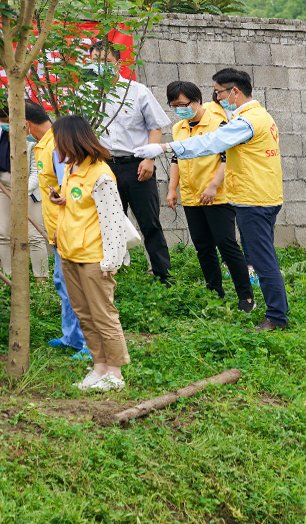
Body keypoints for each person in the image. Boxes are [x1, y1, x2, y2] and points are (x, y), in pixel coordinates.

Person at [132, 67, 290, 332]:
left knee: (262, 261)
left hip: (255, 200)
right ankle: (274, 312)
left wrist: (164, 147)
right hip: (261, 196)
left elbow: (213, 143)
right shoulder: (259, 115)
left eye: (218, 93)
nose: (216, 99)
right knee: (260, 257)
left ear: (234, 92)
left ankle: (276, 317)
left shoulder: (248, 121)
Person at [45, 114, 136, 392]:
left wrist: (111, 260)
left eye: (59, 142)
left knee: (103, 315)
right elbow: (80, 205)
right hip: (71, 253)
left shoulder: (100, 174)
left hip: (95, 257)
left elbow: (111, 221)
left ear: (72, 140)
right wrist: (59, 199)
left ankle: (115, 374)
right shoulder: (73, 169)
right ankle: (99, 368)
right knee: (84, 314)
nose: (56, 149)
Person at [165, 81, 256, 310]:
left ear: (197, 101)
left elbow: (228, 158)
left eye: (183, 104)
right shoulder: (179, 128)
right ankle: (215, 294)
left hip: (217, 196)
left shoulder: (219, 123)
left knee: (226, 245)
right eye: (174, 105)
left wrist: (214, 185)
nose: (179, 109)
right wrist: (171, 189)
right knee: (203, 247)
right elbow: (176, 159)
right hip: (191, 196)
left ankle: (246, 297)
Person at [88, 39, 173, 284]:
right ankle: (113, 272)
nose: (101, 66)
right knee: (108, 222)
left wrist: (149, 159)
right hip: (103, 167)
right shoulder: (86, 94)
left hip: (137, 166)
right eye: (96, 61)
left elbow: (155, 126)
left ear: (119, 63)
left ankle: (162, 273)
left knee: (149, 222)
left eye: (106, 62)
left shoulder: (137, 91)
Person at [30, 102, 91, 357]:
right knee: (63, 282)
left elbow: (70, 193)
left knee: (77, 285)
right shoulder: (45, 144)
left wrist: (61, 228)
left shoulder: (56, 145)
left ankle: (88, 343)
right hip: (58, 227)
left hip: (68, 229)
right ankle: (72, 336)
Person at [0, 98, 49, 279]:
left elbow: (37, 173)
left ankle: (41, 280)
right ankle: (8, 278)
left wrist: (21, 192)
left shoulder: (31, 134)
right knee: (5, 233)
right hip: (1, 183)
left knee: (35, 234)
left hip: (29, 188)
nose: (1, 124)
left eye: (5, 121)